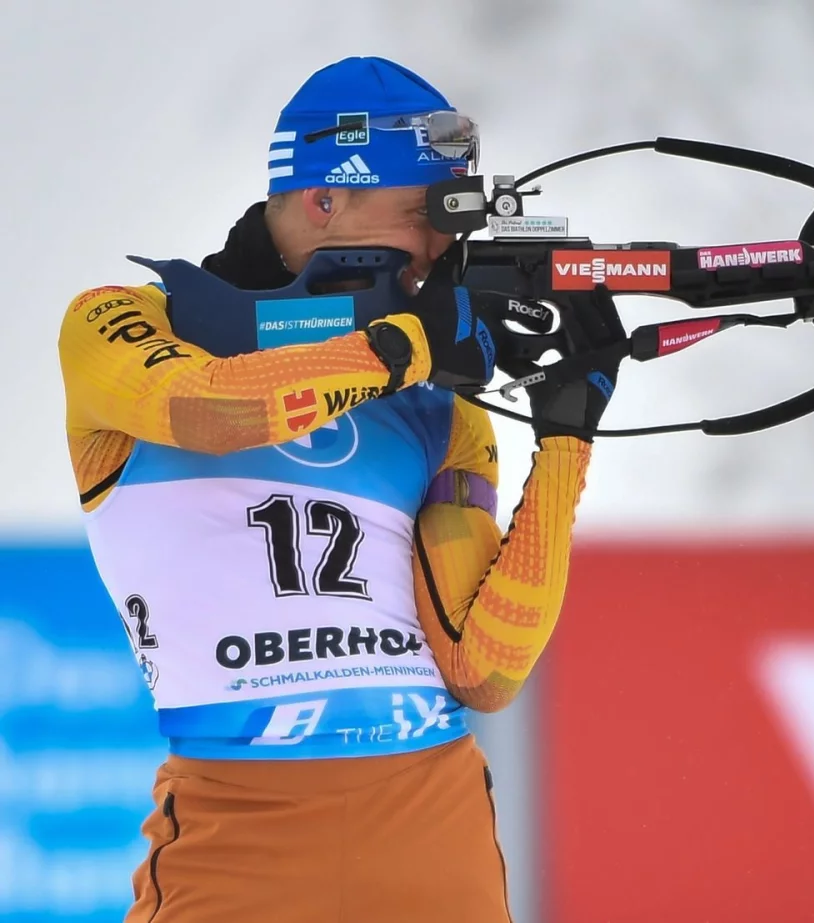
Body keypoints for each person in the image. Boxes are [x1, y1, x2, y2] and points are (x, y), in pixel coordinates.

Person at [57, 55, 622, 922]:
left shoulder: (437, 399)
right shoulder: (123, 321)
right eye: (424, 215)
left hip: (440, 839)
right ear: (325, 199)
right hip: (237, 842)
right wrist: (407, 347)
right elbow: (207, 409)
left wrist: (567, 435)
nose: (441, 250)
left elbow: (484, 668)